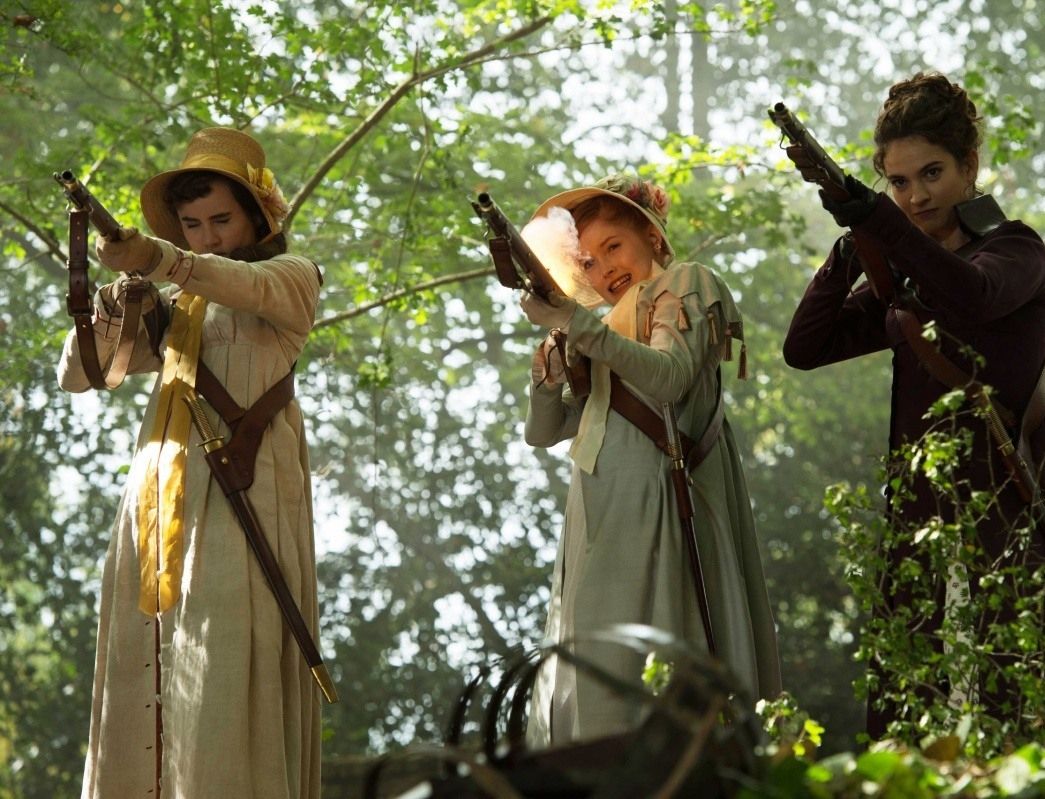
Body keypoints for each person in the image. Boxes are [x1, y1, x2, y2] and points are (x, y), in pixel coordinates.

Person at [57, 128, 325, 798]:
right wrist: (115, 305)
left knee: (228, 675)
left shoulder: (292, 277)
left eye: (222, 220)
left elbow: (238, 282)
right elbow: (79, 376)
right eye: (193, 225)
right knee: (142, 671)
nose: (208, 237)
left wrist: (158, 257)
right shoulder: (176, 302)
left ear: (258, 216)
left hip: (244, 502)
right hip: (155, 505)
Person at [783, 72, 1045, 738]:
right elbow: (805, 348)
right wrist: (852, 246)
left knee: (1011, 699)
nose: (916, 195)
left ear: (968, 165)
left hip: (1006, 504)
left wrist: (880, 221)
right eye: (898, 182)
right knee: (905, 705)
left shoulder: (1015, 249)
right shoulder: (902, 272)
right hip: (916, 508)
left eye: (931, 173)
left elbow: (971, 296)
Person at [518, 173, 782, 745]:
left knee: (655, 658)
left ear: (653, 237)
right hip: (598, 507)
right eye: (587, 262)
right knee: (600, 660)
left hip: (659, 495)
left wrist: (574, 323)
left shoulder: (685, 282)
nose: (604, 269)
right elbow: (545, 432)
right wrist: (547, 378)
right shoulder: (599, 329)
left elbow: (668, 379)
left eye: (613, 246)